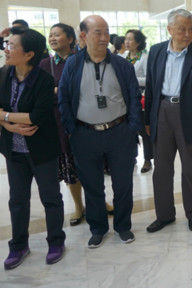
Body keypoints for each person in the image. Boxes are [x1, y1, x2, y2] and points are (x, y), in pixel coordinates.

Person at [58, 15, 142, 249]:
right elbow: (63, 98)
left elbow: (134, 97)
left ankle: (123, 226)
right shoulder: (73, 65)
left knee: (123, 184)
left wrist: (132, 128)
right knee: (92, 185)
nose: (104, 37)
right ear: (83, 36)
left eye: (106, 32)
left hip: (119, 133)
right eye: (98, 32)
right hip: (85, 134)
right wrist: (72, 130)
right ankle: (98, 228)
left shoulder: (122, 65)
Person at [144, 9, 192, 233]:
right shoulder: (156, 51)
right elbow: (150, 87)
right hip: (162, 111)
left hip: (190, 114)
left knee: (190, 168)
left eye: (190, 29)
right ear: (169, 30)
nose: (187, 34)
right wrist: (148, 119)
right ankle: (164, 215)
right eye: (182, 29)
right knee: (162, 169)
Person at [0, 27, 66, 269]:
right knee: (17, 200)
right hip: (14, 150)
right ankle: (18, 245)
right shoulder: (3, 74)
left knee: (51, 198)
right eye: (6, 44)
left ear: (29, 54)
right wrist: (9, 125)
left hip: (42, 150)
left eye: (12, 46)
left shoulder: (44, 80)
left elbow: (36, 117)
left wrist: (5, 116)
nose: (6, 50)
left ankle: (56, 241)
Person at [39, 23, 87, 226]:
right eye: (50, 35)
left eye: (57, 35)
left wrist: (59, 91)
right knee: (70, 167)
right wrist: (60, 92)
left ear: (70, 39)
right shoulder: (45, 65)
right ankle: (78, 206)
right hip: (59, 122)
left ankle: (99, 202)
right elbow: (40, 94)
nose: (52, 38)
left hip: (84, 119)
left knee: (89, 165)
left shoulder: (83, 60)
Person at [123, 29, 153, 173]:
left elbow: (149, 79)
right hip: (125, 98)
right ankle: (131, 157)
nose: (127, 42)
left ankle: (147, 159)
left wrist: (132, 80)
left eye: (130, 39)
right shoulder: (122, 57)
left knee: (143, 130)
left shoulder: (145, 58)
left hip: (140, 97)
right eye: (126, 39)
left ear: (139, 42)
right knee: (128, 130)